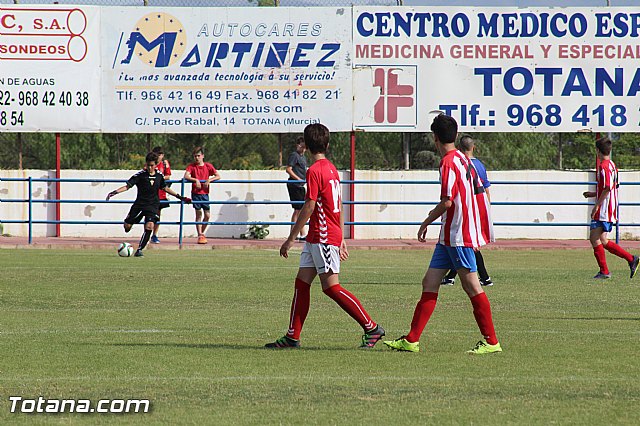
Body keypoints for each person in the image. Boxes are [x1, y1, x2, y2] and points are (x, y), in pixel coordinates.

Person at [384, 114, 501, 355]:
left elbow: (447, 202)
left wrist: (426, 220)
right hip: (449, 235)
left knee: (471, 286)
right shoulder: (462, 158)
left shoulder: (448, 162)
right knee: (430, 282)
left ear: (434, 138)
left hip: (458, 235)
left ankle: (491, 342)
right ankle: (411, 340)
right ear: (456, 136)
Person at [265, 123, 385, 349]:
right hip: (316, 237)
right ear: (327, 145)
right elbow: (337, 204)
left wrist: (290, 238)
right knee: (301, 284)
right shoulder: (331, 168)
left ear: (307, 146)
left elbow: (309, 206)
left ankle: (372, 327)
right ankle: (292, 336)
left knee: (331, 287)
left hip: (322, 236)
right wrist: (342, 237)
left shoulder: (314, 171)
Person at [106, 152, 190, 257]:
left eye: (152, 165)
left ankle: (140, 249)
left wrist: (180, 197)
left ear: (155, 165)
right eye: (148, 165)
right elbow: (127, 186)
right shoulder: (140, 175)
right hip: (139, 204)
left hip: (152, 205)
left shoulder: (159, 176)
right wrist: (114, 192)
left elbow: (165, 188)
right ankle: (131, 222)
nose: (150, 168)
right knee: (127, 227)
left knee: (150, 226)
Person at [583, 136, 639, 279]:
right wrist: (593, 193)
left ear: (597, 150)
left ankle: (605, 271)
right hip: (609, 206)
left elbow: (607, 187)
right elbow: (610, 187)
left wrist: (596, 205)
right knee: (603, 240)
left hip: (604, 208)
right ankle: (631, 259)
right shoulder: (613, 165)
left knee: (594, 238)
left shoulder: (604, 166)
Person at [441, 135, 494, 287]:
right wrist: (487, 209)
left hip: (464, 214)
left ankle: (483, 278)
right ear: (473, 147)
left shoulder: (460, 164)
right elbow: (485, 190)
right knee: (464, 247)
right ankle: (477, 277)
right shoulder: (480, 166)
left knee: (465, 246)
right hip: (477, 211)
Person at [184, 146, 221, 244]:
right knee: (198, 214)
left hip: (205, 194)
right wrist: (195, 179)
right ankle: (200, 234)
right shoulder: (191, 166)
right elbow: (186, 175)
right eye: (195, 156)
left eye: (198, 156)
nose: (197, 158)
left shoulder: (208, 166)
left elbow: (218, 176)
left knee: (207, 215)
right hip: (196, 193)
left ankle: (202, 233)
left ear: (203, 156)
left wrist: (209, 180)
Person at [286, 136, 308, 241]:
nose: (303, 148)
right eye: (301, 146)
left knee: (301, 210)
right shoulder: (294, 155)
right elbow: (288, 169)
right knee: (298, 209)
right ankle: (295, 234)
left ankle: (299, 234)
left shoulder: (303, 157)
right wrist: (298, 179)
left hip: (301, 185)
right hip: (294, 185)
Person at [151, 146, 171, 244]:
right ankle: (147, 233)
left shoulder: (164, 164)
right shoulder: (151, 164)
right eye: (157, 154)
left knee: (157, 215)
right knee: (148, 214)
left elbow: (168, 176)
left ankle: (154, 234)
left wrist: (160, 178)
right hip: (151, 194)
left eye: (160, 154)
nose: (159, 156)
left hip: (161, 194)